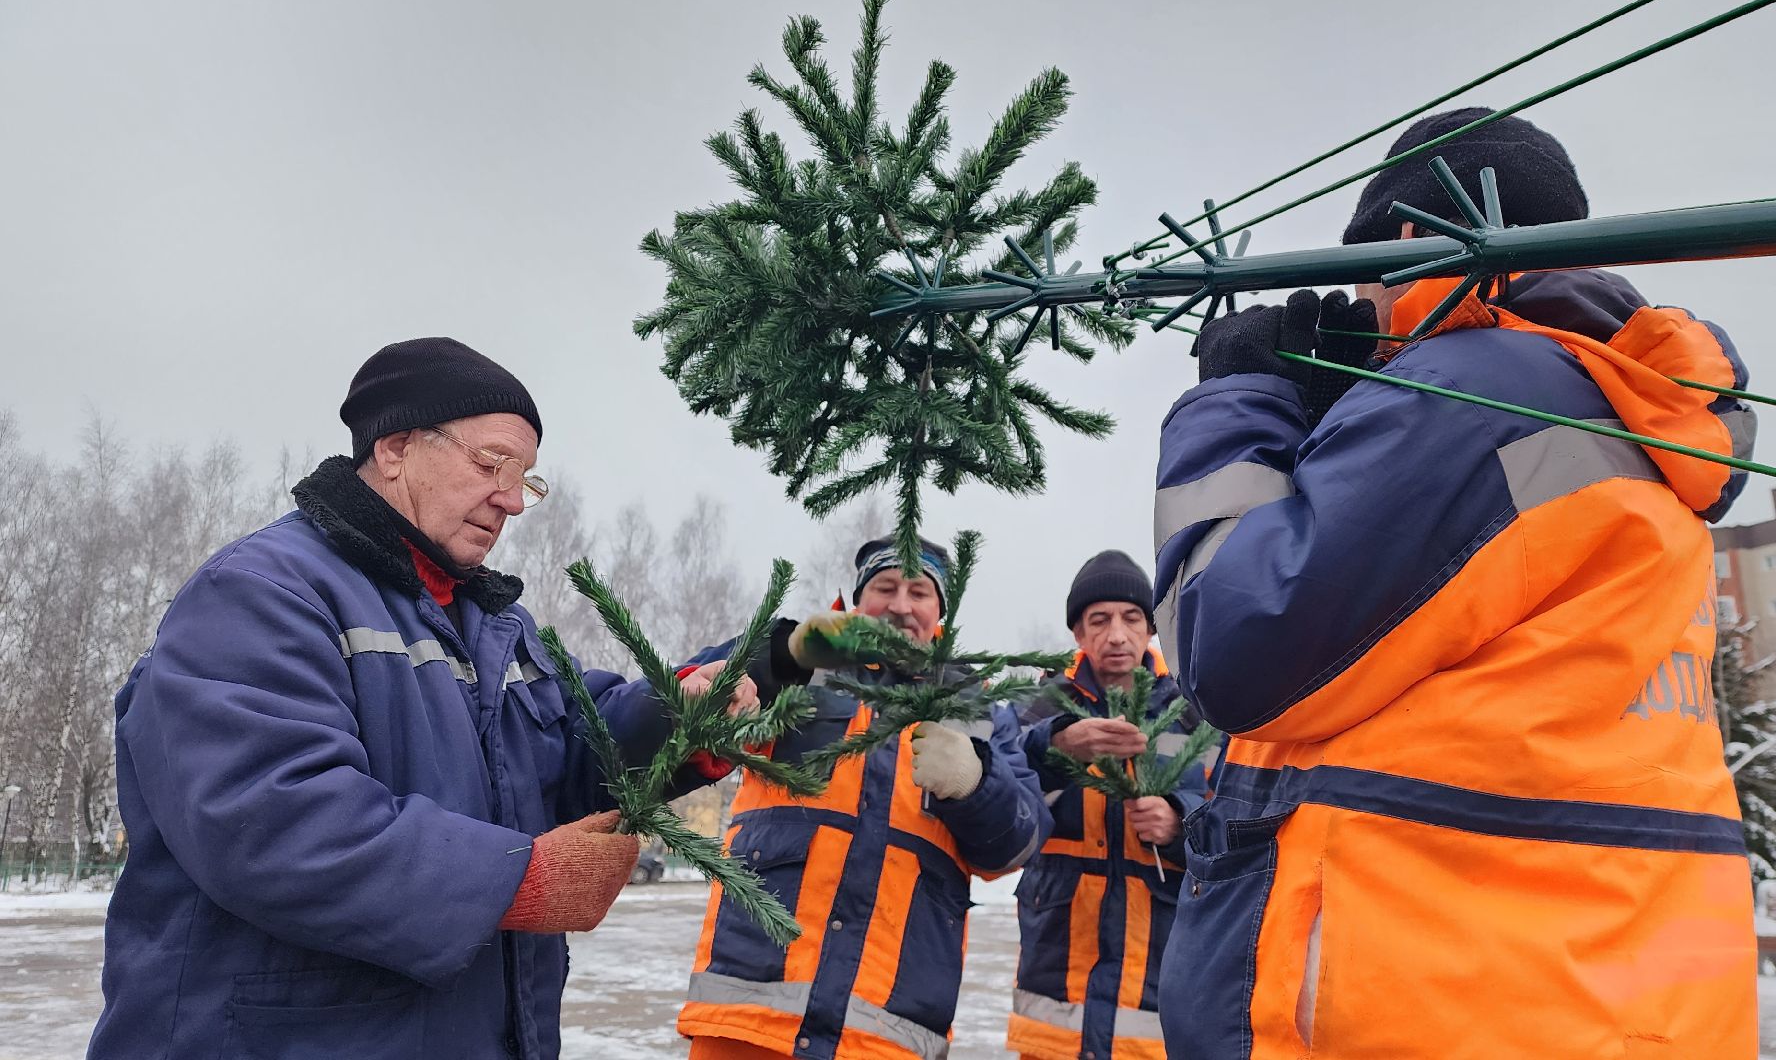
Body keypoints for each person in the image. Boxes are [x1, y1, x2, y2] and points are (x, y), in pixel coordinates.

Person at [1151, 110, 1761, 1057]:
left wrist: (1238, 404)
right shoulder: (1626, 406)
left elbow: (1232, 652)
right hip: (1582, 990)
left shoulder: (1477, 390)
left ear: (1404, 241)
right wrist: (1340, 433)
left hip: (1423, 996)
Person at [89, 337, 752, 1060]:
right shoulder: (261, 592)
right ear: (396, 447)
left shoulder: (497, 627)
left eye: (526, 479)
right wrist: (514, 880)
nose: (510, 500)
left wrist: (683, 718)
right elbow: (268, 819)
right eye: (491, 463)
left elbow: (569, 755)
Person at [677, 535, 1052, 1060]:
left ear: (940, 612)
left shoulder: (977, 704)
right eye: (885, 587)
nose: (901, 606)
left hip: (888, 1032)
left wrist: (975, 784)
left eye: (919, 592)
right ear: (859, 600)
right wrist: (765, 659)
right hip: (750, 1018)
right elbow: (692, 705)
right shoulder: (800, 664)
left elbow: (1019, 843)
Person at [1007, 551, 1212, 1060]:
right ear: (1078, 633)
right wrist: (1057, 748)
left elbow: (1233, 816)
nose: (1116, 635)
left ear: (1150, 630)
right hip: (1056, 981)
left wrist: (1179, 821)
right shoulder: (1040, 708)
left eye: (1131, 618)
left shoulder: (1194, 715)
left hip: (1157, 986)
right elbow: (1000, 796)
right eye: (1099, 620)